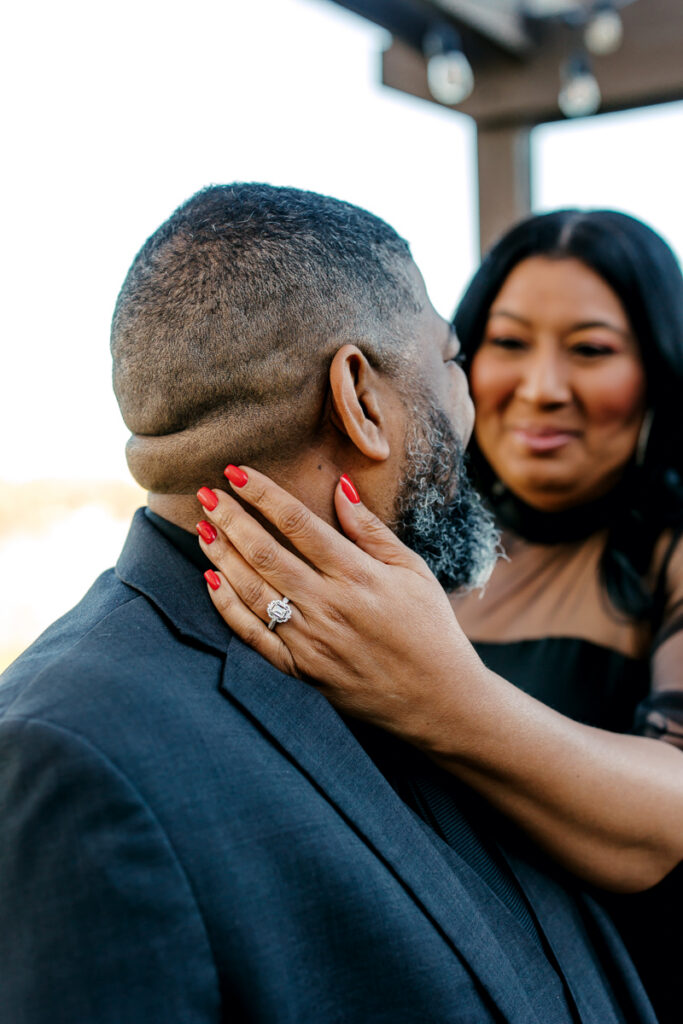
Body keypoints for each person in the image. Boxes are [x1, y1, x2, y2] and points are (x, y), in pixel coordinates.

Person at [0, 188, 658, 1023]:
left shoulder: (400, 648)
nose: (475, 405)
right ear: (358, 396)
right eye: (452, 359)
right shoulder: (70, 755)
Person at [197, 210, 683, 1023]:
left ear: (658, 372)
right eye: (507, 343)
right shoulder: (406, 527)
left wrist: (444, 696)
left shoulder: (670, 555)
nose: (541, 387)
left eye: (591, 350)